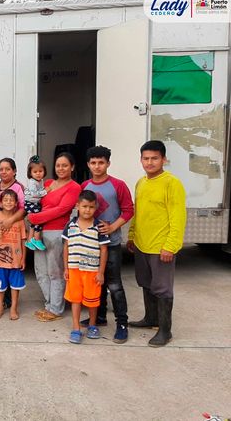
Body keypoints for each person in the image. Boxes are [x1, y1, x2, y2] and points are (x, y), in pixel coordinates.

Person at [127, 140, 186, 347]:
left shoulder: (172, 183)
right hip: (142, 244)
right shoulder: (141, 183)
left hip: (161, 247)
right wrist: (132, 235)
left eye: (155, 158)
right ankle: (150, 318)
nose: (150, 162)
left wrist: (170, 246)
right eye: (146, 158)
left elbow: (178, 218)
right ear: (141, 160)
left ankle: (165, 331)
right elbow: (138, 213)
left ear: (164, 159)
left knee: (162, 289)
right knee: (146, 282)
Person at [80, 145, 134, 344]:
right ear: (88, 164)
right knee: (97, 282)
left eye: (101, 162)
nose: (97, 166)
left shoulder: (118, 185)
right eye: (93, 162)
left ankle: (122, 324)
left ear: (108, 163)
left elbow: (128, 210)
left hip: (112, 244)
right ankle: (100, 317)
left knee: (115, 284)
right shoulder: (85, 185)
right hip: (90, 245)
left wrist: (112, 227)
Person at [28, 152, 81, 322]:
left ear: (72, 167)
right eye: (58, 165)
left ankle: (56, 309)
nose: (61, 168)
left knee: (55, 272)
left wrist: (34, 218)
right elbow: (34, 200)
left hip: (57, 233)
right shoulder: (48, 183)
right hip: (39, 233)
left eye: (65, 165)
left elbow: (61, 210)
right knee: (41, 271)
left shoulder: (74, 187)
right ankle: (49, 304)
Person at [62, 190, 110, 344]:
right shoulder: (70, 225)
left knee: (92, 300)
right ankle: (76, 328)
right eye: (84, 206)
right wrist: (66, 268)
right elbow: (66, 247)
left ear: (96, 207)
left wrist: (101, 272)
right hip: (74, 270)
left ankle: (92, 325)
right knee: (75, 299)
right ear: (77, 206)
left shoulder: (99, 227)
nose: (87, 210)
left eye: (91, 207)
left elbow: (104, 250)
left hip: (92, 271)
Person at [0, 158, 27, 311]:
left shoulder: (19, 187)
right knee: (1, 265)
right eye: (1, 169)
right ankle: (1, 299)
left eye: (7, 169)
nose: (4, 172)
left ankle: (9, 302)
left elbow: (23, 209)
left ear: (14, 171)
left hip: (12, 226)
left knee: (12, 267)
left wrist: (9, 221)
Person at [24, 156, 48, 251]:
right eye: (35, 172)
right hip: (30, 203)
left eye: (40, 171)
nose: (38, 173)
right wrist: (45, 191)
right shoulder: (32, 182)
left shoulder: (41, 181)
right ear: (30, 173)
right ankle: (37, 239)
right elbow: (34, 194)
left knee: (33, 222)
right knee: (39, 219)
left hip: (35, 203)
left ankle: (30, 240)